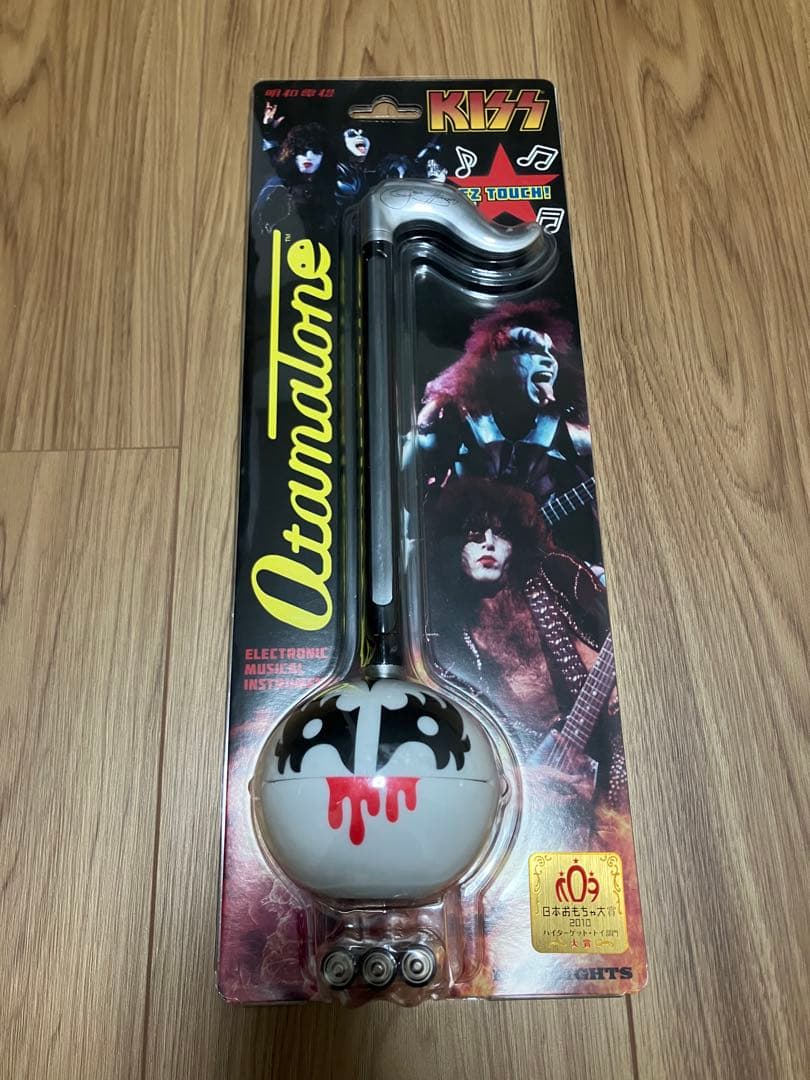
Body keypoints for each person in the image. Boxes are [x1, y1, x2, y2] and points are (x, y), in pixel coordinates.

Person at [426, 478, 626, 811]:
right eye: (474, 534)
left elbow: (617, 628)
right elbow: (448, 749)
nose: (488, 543)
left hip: (613, 754)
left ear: (517, 542)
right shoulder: (445, 637)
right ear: (453, 545)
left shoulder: (555, 577)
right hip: (531, 792)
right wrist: (516, 777)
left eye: (500, 533)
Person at [409, 300, 600, 565]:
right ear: (496, 362)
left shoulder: (564, 431)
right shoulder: (464, 422)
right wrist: (438, 403)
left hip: (536, 563)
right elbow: (408, 482)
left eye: (549, 351)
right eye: (531, 350)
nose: (548, 359)